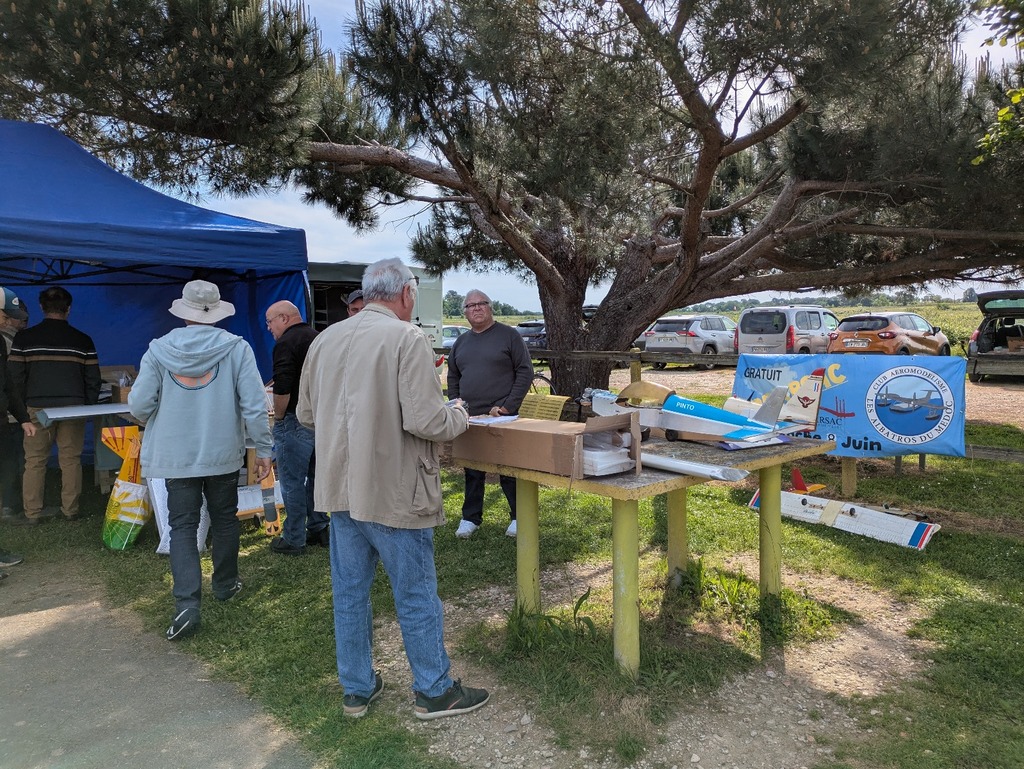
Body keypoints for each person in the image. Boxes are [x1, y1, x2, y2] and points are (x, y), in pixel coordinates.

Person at [298, 257, 489, 721]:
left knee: (350, 594)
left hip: (340, 487)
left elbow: (305, 415)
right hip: (394, 488)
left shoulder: (325, 339)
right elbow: (428, 420)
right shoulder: (407, 338)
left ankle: (357, 689)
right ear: (406, 293)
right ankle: (435, 690)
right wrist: (460, 413)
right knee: (416, 593)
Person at [129, 280, 273, 641]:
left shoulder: (158, 350)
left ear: (184, 312)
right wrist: (264, 448)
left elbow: (139, 404)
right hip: (221, 452)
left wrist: (159, 416)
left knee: (182, 526)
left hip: (175, 454)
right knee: (224, 519)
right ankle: (225, 585)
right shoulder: (237, 348)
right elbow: (255, 405)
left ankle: (187, 604)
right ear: (217, 313)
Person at [8, 286, 101, 524]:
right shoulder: (83, 340)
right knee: (71, 460)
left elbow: (15, 378)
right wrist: (88, 407)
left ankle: (32, 513)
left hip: (36, 408)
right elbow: (93, 380)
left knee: (34, 461)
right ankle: (70, 510)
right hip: (73, 408)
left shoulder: (23, 339)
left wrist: (21, 410)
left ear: (41, 307)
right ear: (68, 309)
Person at [446, 289, 533, 538]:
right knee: (472, 469)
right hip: (471, 417)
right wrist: (457, 404)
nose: (476, 308)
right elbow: (453, 375)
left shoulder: (509, 335)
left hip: (502, 415)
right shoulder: (461, 342)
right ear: (464, 312)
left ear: (490, 307)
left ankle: (518, 517)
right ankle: (470, 518)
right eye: (470, 305)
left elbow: (525, 371)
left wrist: (507, 407)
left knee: (508, 469)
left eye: (481, 303)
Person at [264, 300, 327, 555]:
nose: (269, 328)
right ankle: (320, 527)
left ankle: (293, 537)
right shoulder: (319, 338)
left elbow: (283, 384)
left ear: (284, 318)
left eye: (270, 321)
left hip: (294, 418)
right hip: (320, 419)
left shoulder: (286, 343)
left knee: (291, 481)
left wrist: (278, 416)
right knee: (316, 478)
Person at [0, 288, 33, 577]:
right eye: (6, 315)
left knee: (8, 472)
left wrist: (22, 417)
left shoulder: (2, 342)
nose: (9, 321)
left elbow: (8, 384)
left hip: (3, 422)